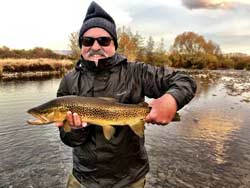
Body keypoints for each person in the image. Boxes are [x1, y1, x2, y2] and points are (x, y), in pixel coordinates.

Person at [56, 1, 197, 188]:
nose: (95, 46)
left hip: (130, 179)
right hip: (83, 179)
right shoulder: (69, 81)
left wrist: (171, 100)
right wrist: (75, 130)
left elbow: (184, 80)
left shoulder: (136, 72)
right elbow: (69, 140)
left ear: (114, 43)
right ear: (81, 45)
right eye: (88, 41)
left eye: (104, 40)